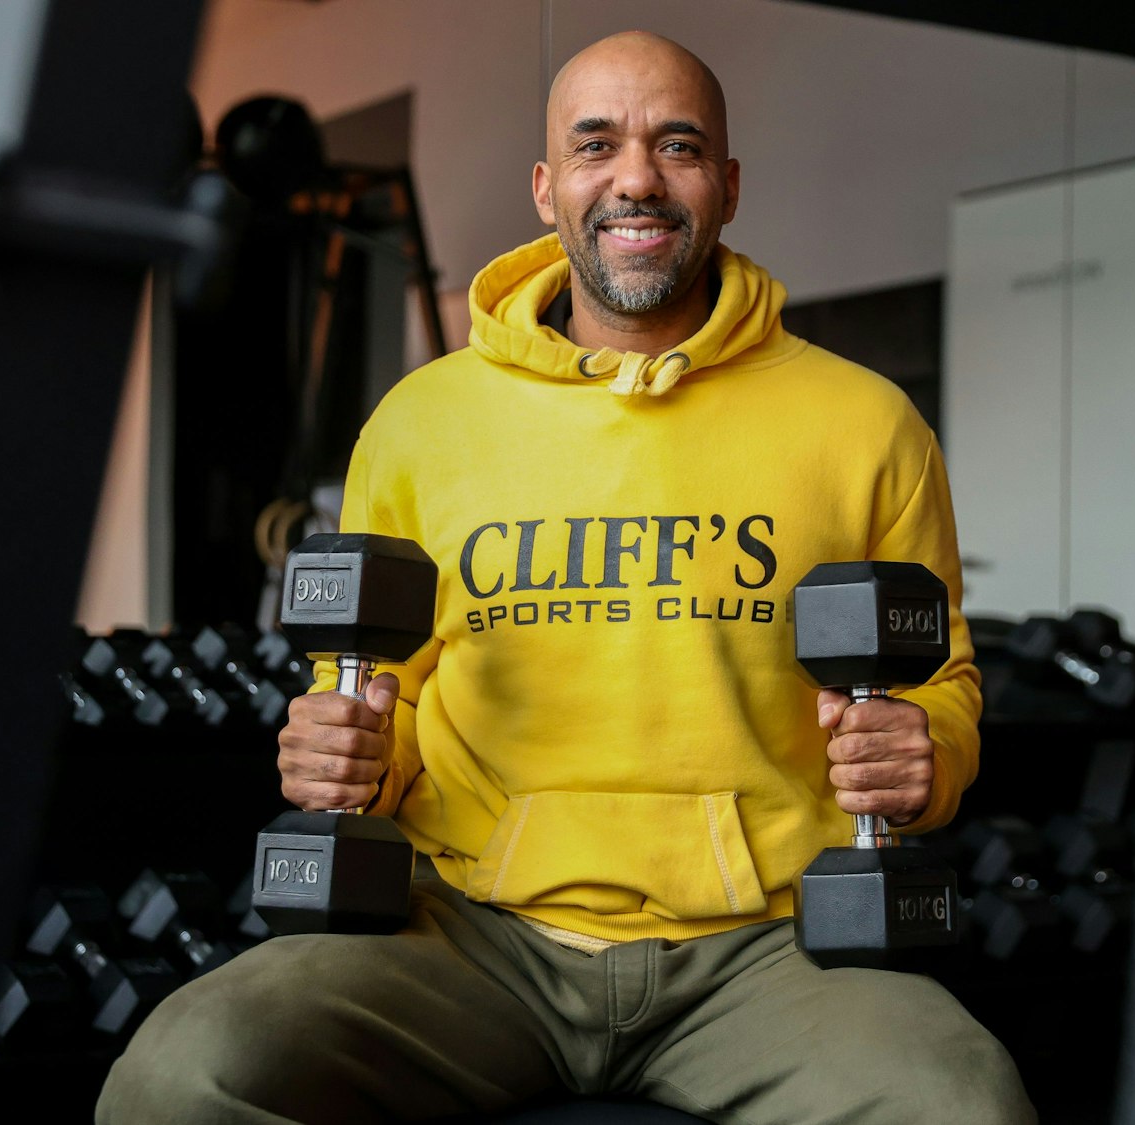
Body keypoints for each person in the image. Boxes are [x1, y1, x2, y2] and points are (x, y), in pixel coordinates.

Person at [98, 31, 1032, 1125]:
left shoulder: (864, 424)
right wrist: (339, 752)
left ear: (726, 187)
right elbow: (369, 696)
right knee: (178, 1082)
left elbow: (943, 686)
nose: (635, 176)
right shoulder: (417, 426)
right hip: (469, 935)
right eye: (597, 146)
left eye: (675, 145)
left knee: (962, 1104)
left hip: (766, 951)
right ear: (547, 188)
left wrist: (925, 755)